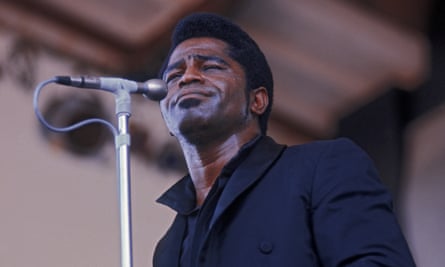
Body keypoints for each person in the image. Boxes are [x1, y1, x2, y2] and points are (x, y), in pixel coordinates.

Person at [153, 12, 416, 267]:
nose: (187, 77)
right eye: (174, 77)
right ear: (166, 117)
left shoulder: (323, 167)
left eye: (210, 66)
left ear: (257, 100)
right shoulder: (168, 248)